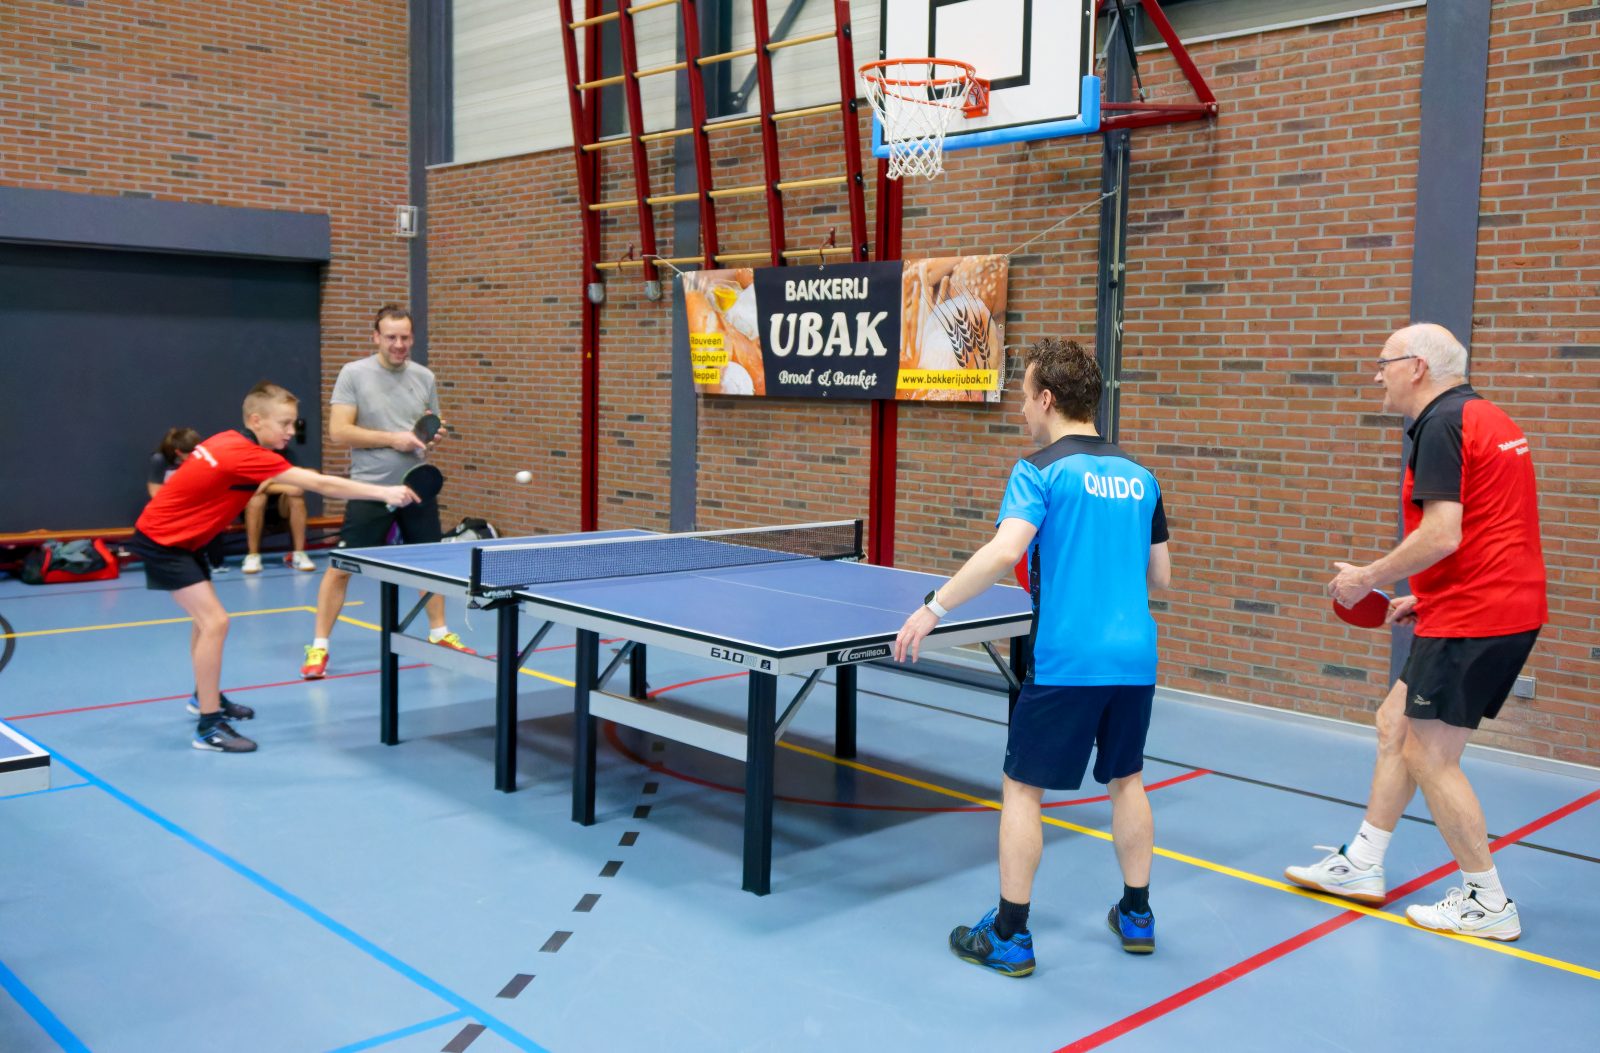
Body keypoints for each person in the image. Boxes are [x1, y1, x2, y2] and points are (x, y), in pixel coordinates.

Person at [893, 338, 1172, 977]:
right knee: (1127, 780)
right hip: (1135, 658)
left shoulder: (1039, 471)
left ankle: (1010, 935)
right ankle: (1137, 915)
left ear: (1047, 399)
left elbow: (1003, 551)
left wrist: (934, 606)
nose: (1021, 409)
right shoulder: (1143, 476)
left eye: (1023, 396)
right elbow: (1161, 577)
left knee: (1023, 788)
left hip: (1067, 658)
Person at [1285, 323, 1546, 941]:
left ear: (1418, 367)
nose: (1377, 374)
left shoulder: (1440, 423)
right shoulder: (1487, 417)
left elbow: (1442, 534)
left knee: (1430, 756)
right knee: (1394, 724)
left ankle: (1487, 900)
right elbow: (1488, 527)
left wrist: (1366, 577)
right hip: (1492, 604)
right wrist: (1423, 596)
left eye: (1385, 362)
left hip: (1476, 616)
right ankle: (1363, 862)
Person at [129, 383, 418, 753]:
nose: (290, 431)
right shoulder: (245, 454)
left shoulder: (227, 439)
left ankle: (204, 697)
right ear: (256, 420)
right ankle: (208, 726)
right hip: (164, 542)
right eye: (284, 423)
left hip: (182, 539)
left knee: (204, 622)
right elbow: (319, 484)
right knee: (215, 622)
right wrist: (384, 492)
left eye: (294, 423)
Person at [300, 304, 473, 678]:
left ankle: (439, 633)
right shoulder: (354, 374)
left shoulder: (424, 376)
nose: (399, 344)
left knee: (431, 565)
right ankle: (319, 647)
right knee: (341, 568)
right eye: (391, 337)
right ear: (376, 337)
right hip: (371, 488)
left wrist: (433, 435)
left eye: (405, 337)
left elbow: (429, 426)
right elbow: (339, 431)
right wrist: (393, 439)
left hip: (417, 486)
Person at [148, 427, 228, 573]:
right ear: (178, 453)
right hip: (170, 506)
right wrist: (177, 508)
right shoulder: (160, 460)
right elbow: (155, 492)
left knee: (211, 517)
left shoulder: (201, 457)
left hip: (193, 502)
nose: (195, 456)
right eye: (190, 454)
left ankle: (216, 563)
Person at [242, 443, 315, 573]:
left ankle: (299, 554)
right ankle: (252, 556)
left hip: (281, 509)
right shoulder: (249, 453)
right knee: (257, 499)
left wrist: (271, 480)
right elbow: (255, 488)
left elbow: (311, 474)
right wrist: (283, 483)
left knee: (296, 496)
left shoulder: (285, 452)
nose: (288, 434)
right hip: (252, 508)